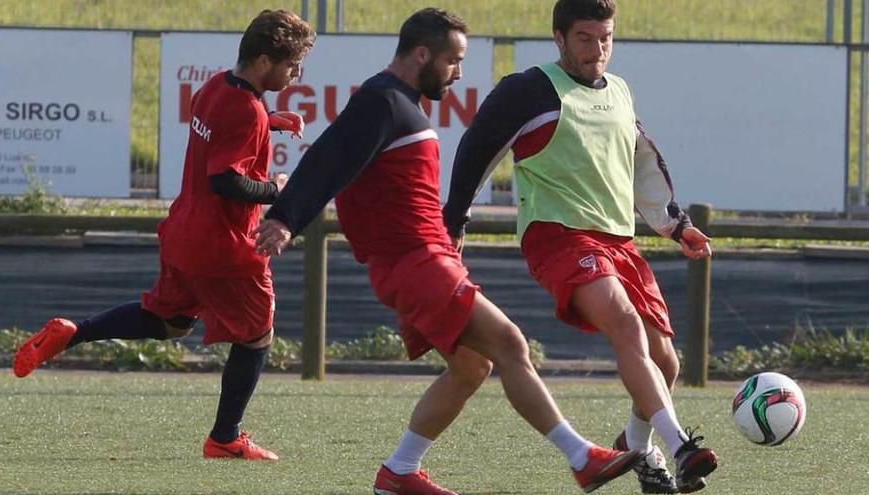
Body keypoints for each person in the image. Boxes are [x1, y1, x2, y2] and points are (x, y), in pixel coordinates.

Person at [252, 7, 642, 495]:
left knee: (472, 364)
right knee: (510, 344)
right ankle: (582, 457)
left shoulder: (398, 103)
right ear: (422, 54)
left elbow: (353, 177)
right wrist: (286, 218)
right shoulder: (383, 101)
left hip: (423, 258)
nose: (458, 74)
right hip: (416, 263)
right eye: (453, 61)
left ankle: (400, 471)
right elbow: (329, 161)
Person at [12, 9, 315, 461]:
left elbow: (225, 133)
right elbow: (226, 180)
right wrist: (278, 189)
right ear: (265, 60)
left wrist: (271, 122)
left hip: (183, 233)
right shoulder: (247, 110)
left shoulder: (214, 86)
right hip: (225, 246)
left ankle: (73, 333)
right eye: (292, 65)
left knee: (170, 323)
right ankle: (226, 437)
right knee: (257, 336)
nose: (296, 75)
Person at [441, 0, 718, 493]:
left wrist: (676, 225)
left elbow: (641, 164)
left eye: (606, 38)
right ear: (559, 37)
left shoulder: (619, 90)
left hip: (619, 241)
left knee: (666, 362)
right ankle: (682, 447)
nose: (598, 50)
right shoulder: (528, 90)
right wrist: (455, 221)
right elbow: (476, 151)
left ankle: (637, 448)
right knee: (625, 325)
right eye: (586, 39)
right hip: (559, 235)